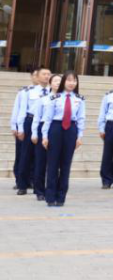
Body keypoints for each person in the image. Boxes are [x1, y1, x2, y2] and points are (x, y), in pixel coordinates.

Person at [40, 72, 85, 207]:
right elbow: (47, 118)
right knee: (53, 164)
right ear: (64, 82)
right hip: (56, 128)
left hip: (71, 130)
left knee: (66, 165)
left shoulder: (80, 99)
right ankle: (50, 196)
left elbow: (81, 119)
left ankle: (61, 197)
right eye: (69, 80)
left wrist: (79, 136)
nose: (72, 83)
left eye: (74, 80)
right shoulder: (55, 97)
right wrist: (44, 136)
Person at [14, 67, 50, 197]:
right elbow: (22, 110)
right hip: (29, 122)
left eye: (48, 74)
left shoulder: (53, 92)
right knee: (26, 155)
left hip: (45, 124)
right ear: (37, 76)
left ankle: (38, 186)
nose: (46, 76)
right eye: (44, 74)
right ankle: (22, 185)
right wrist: (20, 128)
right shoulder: (28, 92)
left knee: (41, 157)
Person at [28, 73, 61, 201]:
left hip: (58, 131)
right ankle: (39, 190)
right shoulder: (43, 98)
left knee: (55, 163)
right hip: (43, 130)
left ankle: (52, 189)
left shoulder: (65, 99)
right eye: (55, 81)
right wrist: (35, 133)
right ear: (50, 83)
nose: (58, 83)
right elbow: (36, 117)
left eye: (60, 81)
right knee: (40, 162)